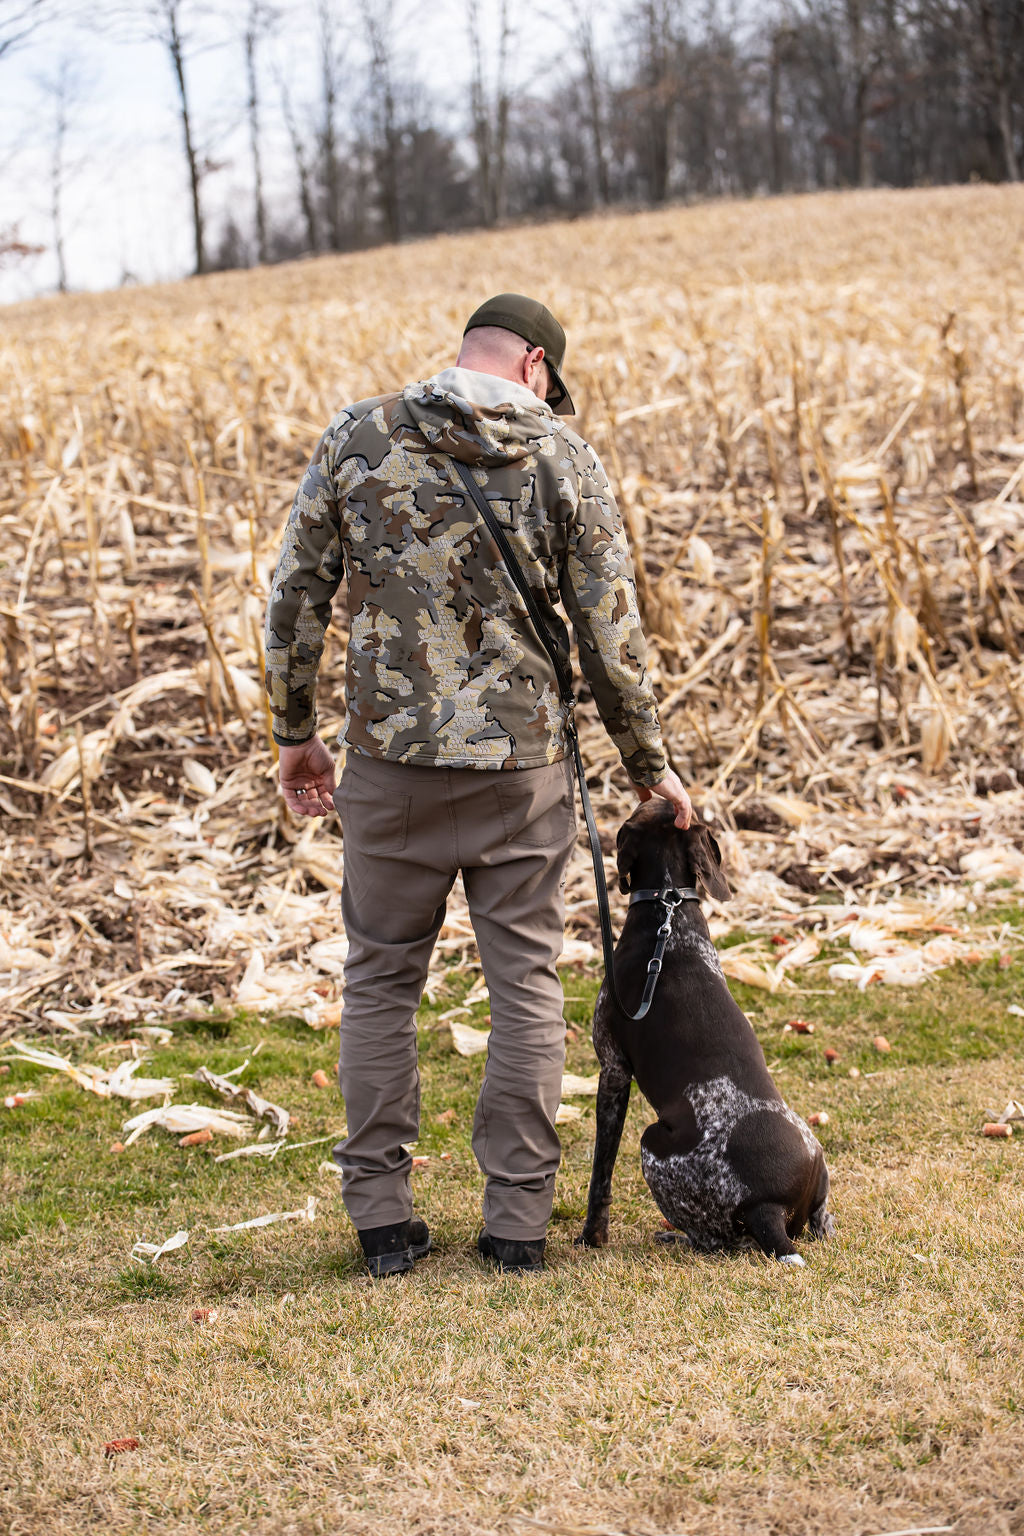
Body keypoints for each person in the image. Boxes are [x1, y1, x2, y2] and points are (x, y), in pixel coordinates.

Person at [264, 293, 692, 1277]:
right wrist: (649, 766)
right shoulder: (563, 460)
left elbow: (296, 596)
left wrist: (295, 735)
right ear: (535, 365)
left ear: (469, 349)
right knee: (523, 989)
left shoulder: (359, 436)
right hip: (522, 777)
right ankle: (515, 1225)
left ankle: (379, 1219)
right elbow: (611, 637)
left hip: (387, 769)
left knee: (379, 984)